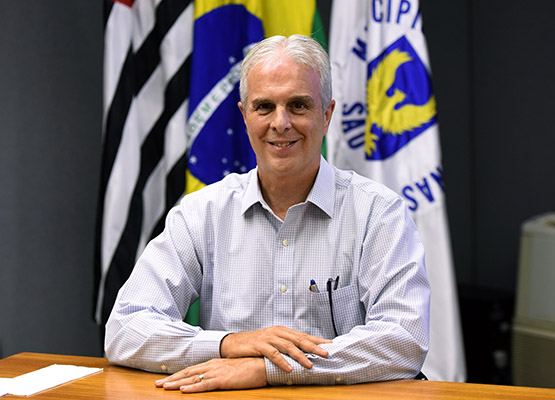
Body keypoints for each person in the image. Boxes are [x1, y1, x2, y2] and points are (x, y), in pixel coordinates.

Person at [105, 34, 430, 394]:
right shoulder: (202, 213)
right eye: (264, 107)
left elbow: (403, 340)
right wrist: (229, 344)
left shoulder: (378, 214)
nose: (280, 123)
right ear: (244, 117)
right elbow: (125, 328)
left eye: (298, 106)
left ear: (327, 114)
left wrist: (268, 369)